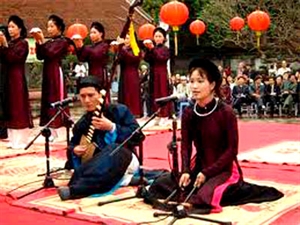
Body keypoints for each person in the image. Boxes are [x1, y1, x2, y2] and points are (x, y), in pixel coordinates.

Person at [146, 58, 283, 213]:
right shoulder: (189, 113)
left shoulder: (226, 112)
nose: (194, 86)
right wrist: (185, 171)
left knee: (205, 195)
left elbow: (232, 150)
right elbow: (186, 146)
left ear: (212, 85)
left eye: (200, 81)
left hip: (223, 168)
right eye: (192, 81)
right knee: (161, 184)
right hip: (199, 165)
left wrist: (207, 173)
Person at [59, 76, 144, 200]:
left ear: (100, 95)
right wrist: (74, 150)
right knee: (90, 165)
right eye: (83, 96)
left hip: (125, 159)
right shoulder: (82, 124)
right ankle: (124, 180)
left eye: (91, 95)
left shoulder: (119, 110)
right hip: (100, 167)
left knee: (114, 149)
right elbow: (72, 146)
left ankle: (76, 190)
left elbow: (139, 136)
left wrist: (112, 127)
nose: (87, 100)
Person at [33, 14, 72, 140]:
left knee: (56, 97)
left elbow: (50, 53)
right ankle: (50, 130)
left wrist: (42, 40)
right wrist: (39, 42)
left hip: (55, 72)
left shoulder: (63, 41)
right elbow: (40, 56)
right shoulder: (50, 42)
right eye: (47, 26)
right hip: (47, 72)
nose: (49, 29)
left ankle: (60, 130)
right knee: (47, 99)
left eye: (51, 26)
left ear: (59, 28)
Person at [0, 15, 33, 148]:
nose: (10, 29)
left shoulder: (23, 43)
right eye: (9, 27)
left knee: (18, 106)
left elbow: (13, 58)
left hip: (17, 78)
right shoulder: (10, 43)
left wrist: (5, 45)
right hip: (7, 78)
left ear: (20, 28)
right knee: (9, 107)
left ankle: (21, 140)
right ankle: (13, 139)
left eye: (13, 26)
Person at [144, 27, 170, 125]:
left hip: (162, 72)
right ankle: (157, 115)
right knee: (154, 94)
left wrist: (152, 49)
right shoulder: (152, 48)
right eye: (156, 36)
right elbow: (147, 59)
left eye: (159, 36)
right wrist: (148, 49)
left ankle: (165, 115)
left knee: (163, 93)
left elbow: (161, 58)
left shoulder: (165, 49)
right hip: (153, 72)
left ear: (163, 38)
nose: (157, 38)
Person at [73, 22, 109, 89]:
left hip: (101, 74)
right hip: (91, 73)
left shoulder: (104, 45)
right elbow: (81, 59)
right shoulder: (90, 47)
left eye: (94, 32)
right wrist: (79, 47)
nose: (91, 35)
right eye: (91, 33)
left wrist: (83, 47)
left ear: (101, 34)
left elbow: (96, 53)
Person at [117, 34, 142, 117]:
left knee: (131, 94)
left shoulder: (136, 50)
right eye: (125, 38)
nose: (125, 41)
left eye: (128, 38)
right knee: (123, 93)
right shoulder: (123, 50)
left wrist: (121, 48)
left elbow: (132, 58)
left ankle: (134, 113)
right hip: (123, 75)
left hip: (132, 74)